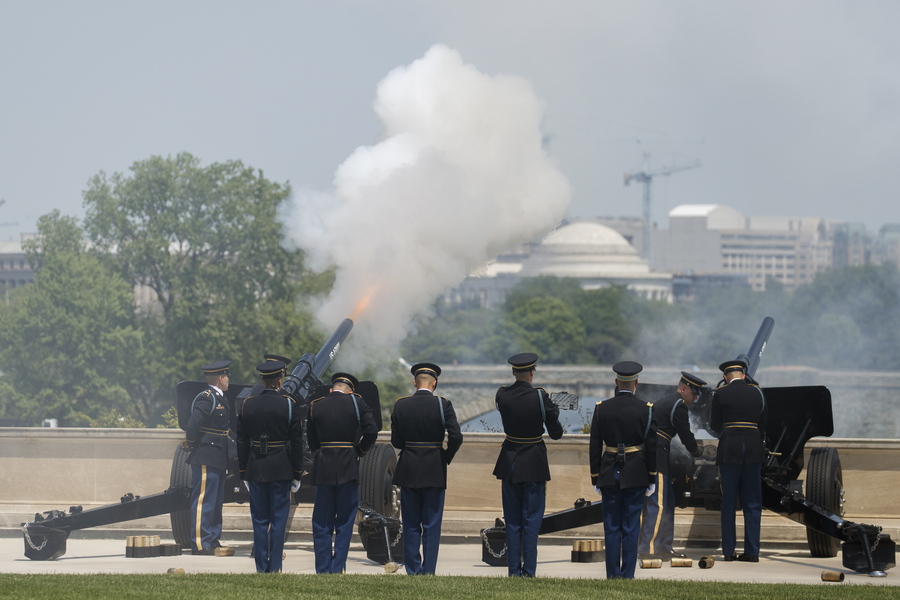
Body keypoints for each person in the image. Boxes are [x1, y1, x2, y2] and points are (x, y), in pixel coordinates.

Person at [493, 352, 564, 577]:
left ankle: (513, 571)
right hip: (533, 461)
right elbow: (556, 434)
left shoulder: (502, 394)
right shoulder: (540, 397)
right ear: (532, 372)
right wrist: (554, 412)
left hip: (510, 461)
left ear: (514, 372)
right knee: (531, 521)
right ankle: (529, 570)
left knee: (512, 521)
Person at [390, 362, 463, 575]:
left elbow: (396, 441)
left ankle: (412, 569)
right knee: (431, 524)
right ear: (435, 383)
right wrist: (445, 457)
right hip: (434, 468)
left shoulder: (401, 405)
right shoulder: (443, 405)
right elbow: (456, 437)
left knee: (411, 523)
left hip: (409, 467)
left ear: (415, 382)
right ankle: (428, 570)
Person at [589, 361, 657, 579]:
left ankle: (612, 574)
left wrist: (595, 476)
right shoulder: (646, 409)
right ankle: (627, 575)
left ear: (616, 382)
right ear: (636, 383)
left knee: (611, 528)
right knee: (630, 527)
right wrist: (652, 477)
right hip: (636, 472)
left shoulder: (602, 408)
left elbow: (594, 445)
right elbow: (652, 447)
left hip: (609, 471)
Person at [306, 371, 378, 573]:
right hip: (348, 465)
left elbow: (311, 437)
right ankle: (338, 568)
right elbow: (371, 431)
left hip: (324, 467)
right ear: (350, 391)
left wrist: (319, 453)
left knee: (322, 522)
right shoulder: (357, 403)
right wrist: (359, 451)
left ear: (331, 389)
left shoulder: (316, 405)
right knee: (345, 522)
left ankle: (322, 568)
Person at [236, 359, 303, 573]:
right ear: (280, 379)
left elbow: (241, 442)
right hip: (281, 468)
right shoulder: (289, 405)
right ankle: (275, 567)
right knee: (278, 520)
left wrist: (244, 472)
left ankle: (260, 566)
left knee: (259, 520)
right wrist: (297, 473)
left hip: (256, 468)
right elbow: (297, 442)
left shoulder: (248, 404)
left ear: (262, 380)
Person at [638, 371, 706, 560]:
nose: (696, 397)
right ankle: (648, 549)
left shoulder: (670, 402)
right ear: (683, 389)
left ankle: (664, 547)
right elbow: (685, 435)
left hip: (660, 453)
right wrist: (696, 453)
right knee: (657, 505)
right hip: (657, 456)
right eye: (694, 392)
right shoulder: (679, 405)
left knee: (667, 504)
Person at [711, 358, 768, 563]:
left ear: (725, 377)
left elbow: (715, 424)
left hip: (730, 450)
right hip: (753, 449)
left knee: (728, 502)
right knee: (753, 502)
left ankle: (728, 551)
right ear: (743, 375)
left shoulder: (721, 393)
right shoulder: (758, 392)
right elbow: (764, 421)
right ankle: (752, 551)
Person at [183, 360, 235, 556]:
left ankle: (212, 539)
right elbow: (192, 426)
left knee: (215, 500)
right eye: (227, 377)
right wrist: (191, 442)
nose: (229, 380)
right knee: (204, 500)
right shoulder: (207, 398)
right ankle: (200, 542)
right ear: (221, 379)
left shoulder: (220, 398)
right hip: (206, 454)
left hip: (218, 455)